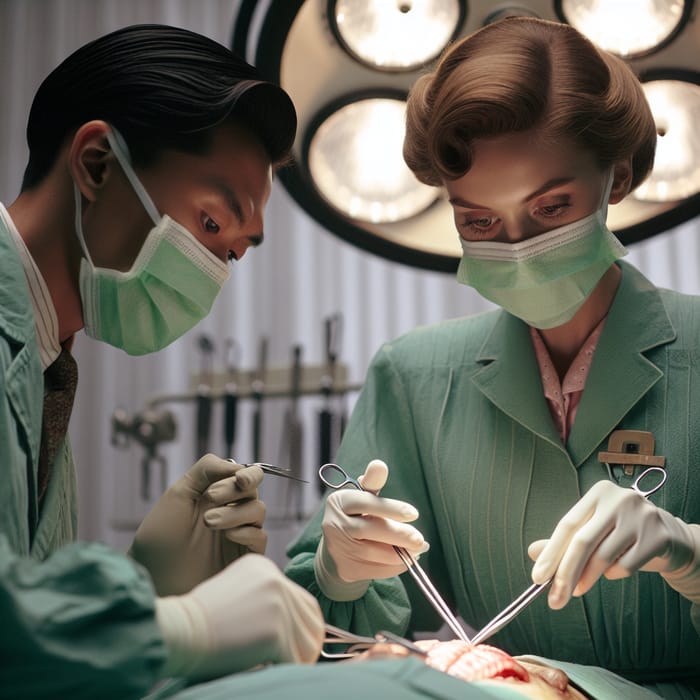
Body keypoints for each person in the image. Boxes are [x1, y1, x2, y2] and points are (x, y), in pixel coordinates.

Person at [285, 16, 700, 698]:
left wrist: (689, 556)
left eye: (551, 207)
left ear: (617, 177)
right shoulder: (415, 378)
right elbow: (330, 649)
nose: (516, 246)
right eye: (477, 220)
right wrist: (338, 570)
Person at [0, 24, 324, 699]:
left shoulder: (47, 367)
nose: (210, 271)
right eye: (211, 225)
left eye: (232, 252)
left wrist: (148, 582)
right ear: (96, 164)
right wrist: (179, 625)